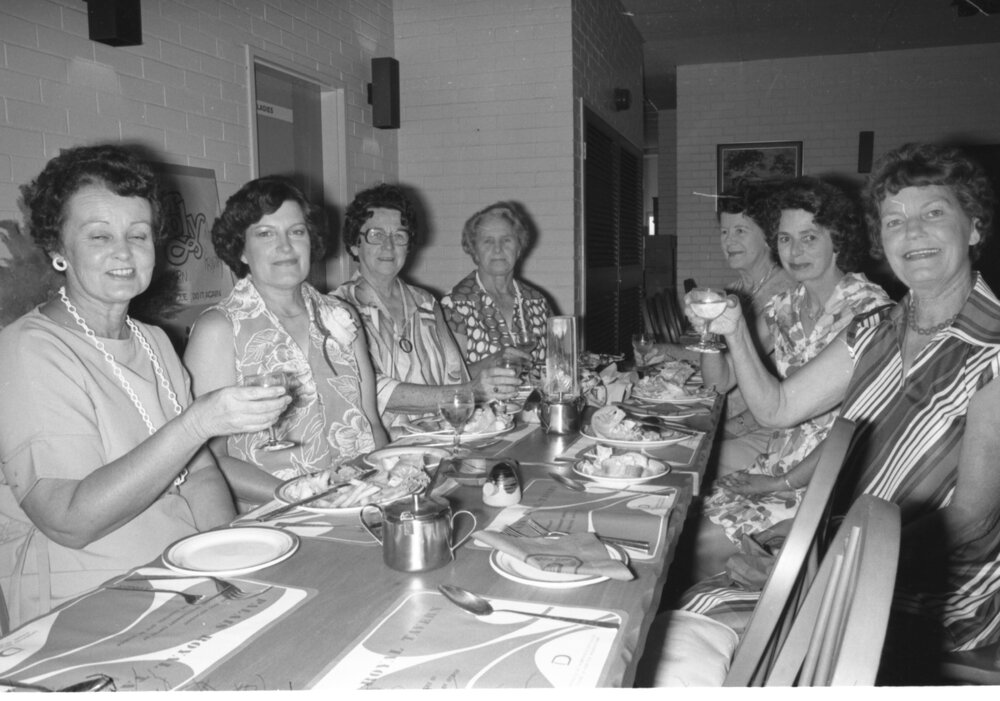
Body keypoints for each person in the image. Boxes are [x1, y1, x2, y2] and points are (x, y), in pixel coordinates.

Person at [692, 143, 1000, 680]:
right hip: (849, 554)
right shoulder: (877, 330)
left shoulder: (994, 351)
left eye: (933, 214)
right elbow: (778, 408)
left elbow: (970, 521)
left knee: (710, 639)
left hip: (925, 593)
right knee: (698, 614)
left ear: (973, 227)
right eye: (894, 220)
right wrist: (733, 328)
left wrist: (825, 555)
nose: (912, 233)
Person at [0, 144, 285, 628]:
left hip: (185, 578)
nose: (124, 252)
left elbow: (199, 474)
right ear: (57, 249)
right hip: (91, 604)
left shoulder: (151, 339)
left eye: (139, 234)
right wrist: (198, 422)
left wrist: (231, 558)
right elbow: (70, 520)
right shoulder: (29, 349)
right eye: (98, 236)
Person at [692, 177, 890, 579]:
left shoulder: (869, 311)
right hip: (778, 461)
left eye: (809, 238)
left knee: (704, 539)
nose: (794, 251)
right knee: (686, 512)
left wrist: (778, 484)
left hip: (834, 478)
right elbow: (719, 382)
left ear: (838, 239)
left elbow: (850, 431)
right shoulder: (785, 305)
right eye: (784, 239)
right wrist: (709, 332)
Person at [184, 176, 387, 508]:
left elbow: (371, 421)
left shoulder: (342, 316)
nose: (285, 247)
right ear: (242, 250)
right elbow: (205, 457)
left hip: (359, 504)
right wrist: (304, 498)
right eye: (265, 234)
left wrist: (381, 486)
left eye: (296, 232)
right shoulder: (219, 329)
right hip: (275, 516)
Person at [334, 184, 520, 435]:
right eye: (376, 235)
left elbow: (455, 374)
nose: (389, 246)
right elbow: (368, 388)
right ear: (355, 245)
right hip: (382, 450)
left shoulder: (426, 303)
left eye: (399, 236)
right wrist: (468, 392)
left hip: (440, 440)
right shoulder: (336, 309)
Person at [640, 183, 796, 474]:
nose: (728, 240)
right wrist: (678, 345)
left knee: (667, 459)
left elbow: (733, 380)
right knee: (645, 432)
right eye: (724, 232)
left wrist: (722, 428)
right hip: (722, 412)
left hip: (766, 430)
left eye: (740, 230)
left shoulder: (784, 294)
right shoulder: (736, 291)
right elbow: (717, 376)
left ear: (768, 237)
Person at [441, 202, 552, 372]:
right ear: (474, 250)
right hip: (480, 399)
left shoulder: (537, 302)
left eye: (506, 240)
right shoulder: (455, 305)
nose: (498, 249)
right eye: (488, 241)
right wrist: (494, 361)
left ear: (519, 247)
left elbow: (559, 364)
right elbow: (450, 377)